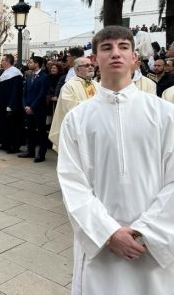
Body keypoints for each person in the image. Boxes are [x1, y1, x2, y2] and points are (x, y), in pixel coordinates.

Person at [57, 26, 174, 294]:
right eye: (107, 48)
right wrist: (109, 232)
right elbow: (72, 183)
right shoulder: (78, 119)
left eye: (123, 47)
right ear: (95, 60)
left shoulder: (165, 114)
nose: (116, 54)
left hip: (152, 246)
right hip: (101, 246)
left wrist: (146, 231)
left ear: (135, 57)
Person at [49, 57, 99, 150]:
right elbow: (70, 108)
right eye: (87, 65)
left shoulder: (97, 85)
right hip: (78, 131)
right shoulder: (69, 86)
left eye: (92, 65)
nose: (91, 67)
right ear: (77, 69)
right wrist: (95, 105)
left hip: (96, 129)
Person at [19, 56, 50, 163]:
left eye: (31, 62)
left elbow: (42, 94)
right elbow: (24, 93)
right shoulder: (29, 76)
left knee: (41, 131)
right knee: (30, 130)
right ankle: (30, 151)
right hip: (28, 108)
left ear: (37, 64)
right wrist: (25, 106)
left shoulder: (44, 77)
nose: (28, 64)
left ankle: (41, 154)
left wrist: (32, 107)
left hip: (39, 109)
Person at [0, 54, 24, 153]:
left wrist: (11, 104)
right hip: (2, 103)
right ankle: (5, 143)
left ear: (7, 61)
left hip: (11, 104)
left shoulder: (16, 73)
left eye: (2, 60)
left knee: (13, 125)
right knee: (4, 124)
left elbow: (16, 91)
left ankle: (14, 146)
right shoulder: (4, 72)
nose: (1, 62)